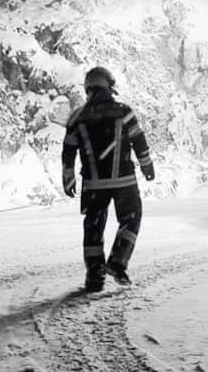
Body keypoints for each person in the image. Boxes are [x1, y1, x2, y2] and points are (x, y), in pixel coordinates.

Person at [61, 66, 155, 292]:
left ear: (88, 89)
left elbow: (68, 151)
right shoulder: (124, 112)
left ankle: (94, 276)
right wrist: (147, 166)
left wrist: (68, 178)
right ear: (109, 86)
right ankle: (117, 262)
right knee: (131, 219)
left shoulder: (78, 117)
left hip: (93, 184)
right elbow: (139, 142)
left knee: (93, 227)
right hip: (124, 182)